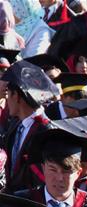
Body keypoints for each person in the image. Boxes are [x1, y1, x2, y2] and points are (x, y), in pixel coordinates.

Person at [2, 62, 55, 193]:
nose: (7, 99)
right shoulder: (16, 124)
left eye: (9, 93)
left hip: (31, 201)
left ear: (17, 96)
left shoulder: (46, 131)